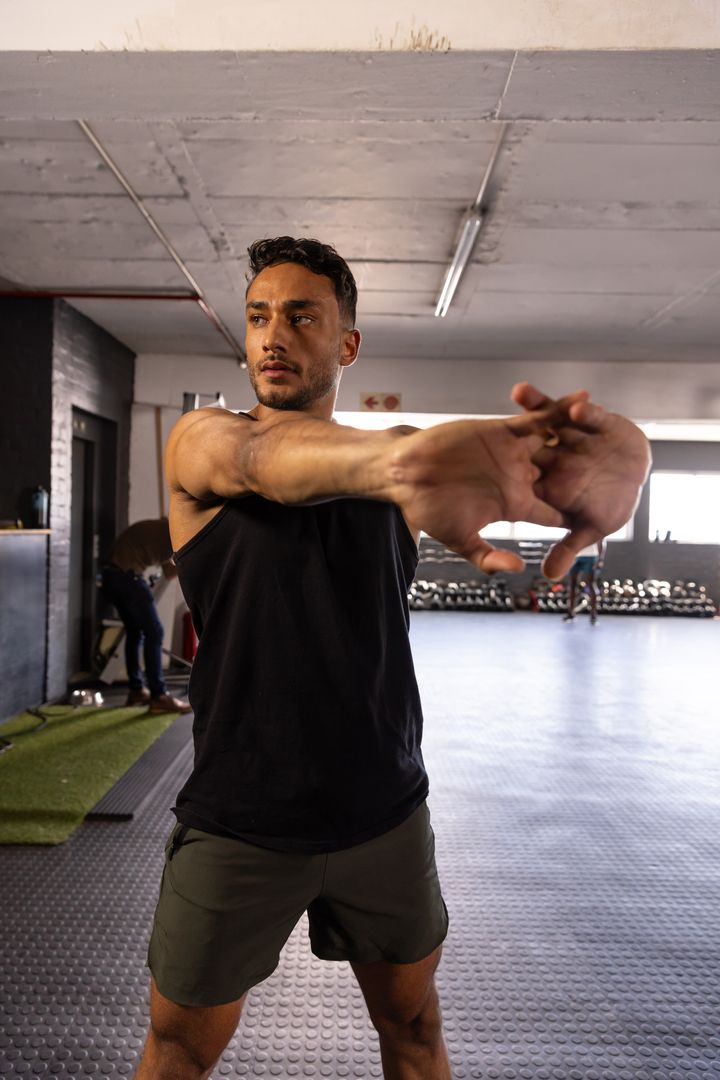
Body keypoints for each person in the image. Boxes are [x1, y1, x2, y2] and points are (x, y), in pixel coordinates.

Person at [134, 236, 651, 1080]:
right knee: (179, 1047)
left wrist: (592, 453)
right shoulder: (203, 442)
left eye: (301, 317)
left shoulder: (402, 471)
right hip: (240, 820)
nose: (272, 335)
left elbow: (453, 464)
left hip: (385, 812)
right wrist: (399, 460)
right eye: (259, 316)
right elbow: (264, 463)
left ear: (346, 346)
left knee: (412, 1030)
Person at [101, 518, 191, 713]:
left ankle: (136, 691)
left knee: (135, 633)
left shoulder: (165, 528)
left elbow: (168, 570)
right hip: (127, 577)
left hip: (111, 577)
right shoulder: (178, 533)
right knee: (155, 632)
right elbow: (173, 570)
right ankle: (159, 695)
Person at [563, 539, 607, 624]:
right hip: (575, 555)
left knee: (590, 584)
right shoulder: (573, 525)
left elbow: (601, 540)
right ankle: (571, 613)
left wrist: (600, 559)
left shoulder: (594, 526)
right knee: (572, 584)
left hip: (590, 556)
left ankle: (593, 615)